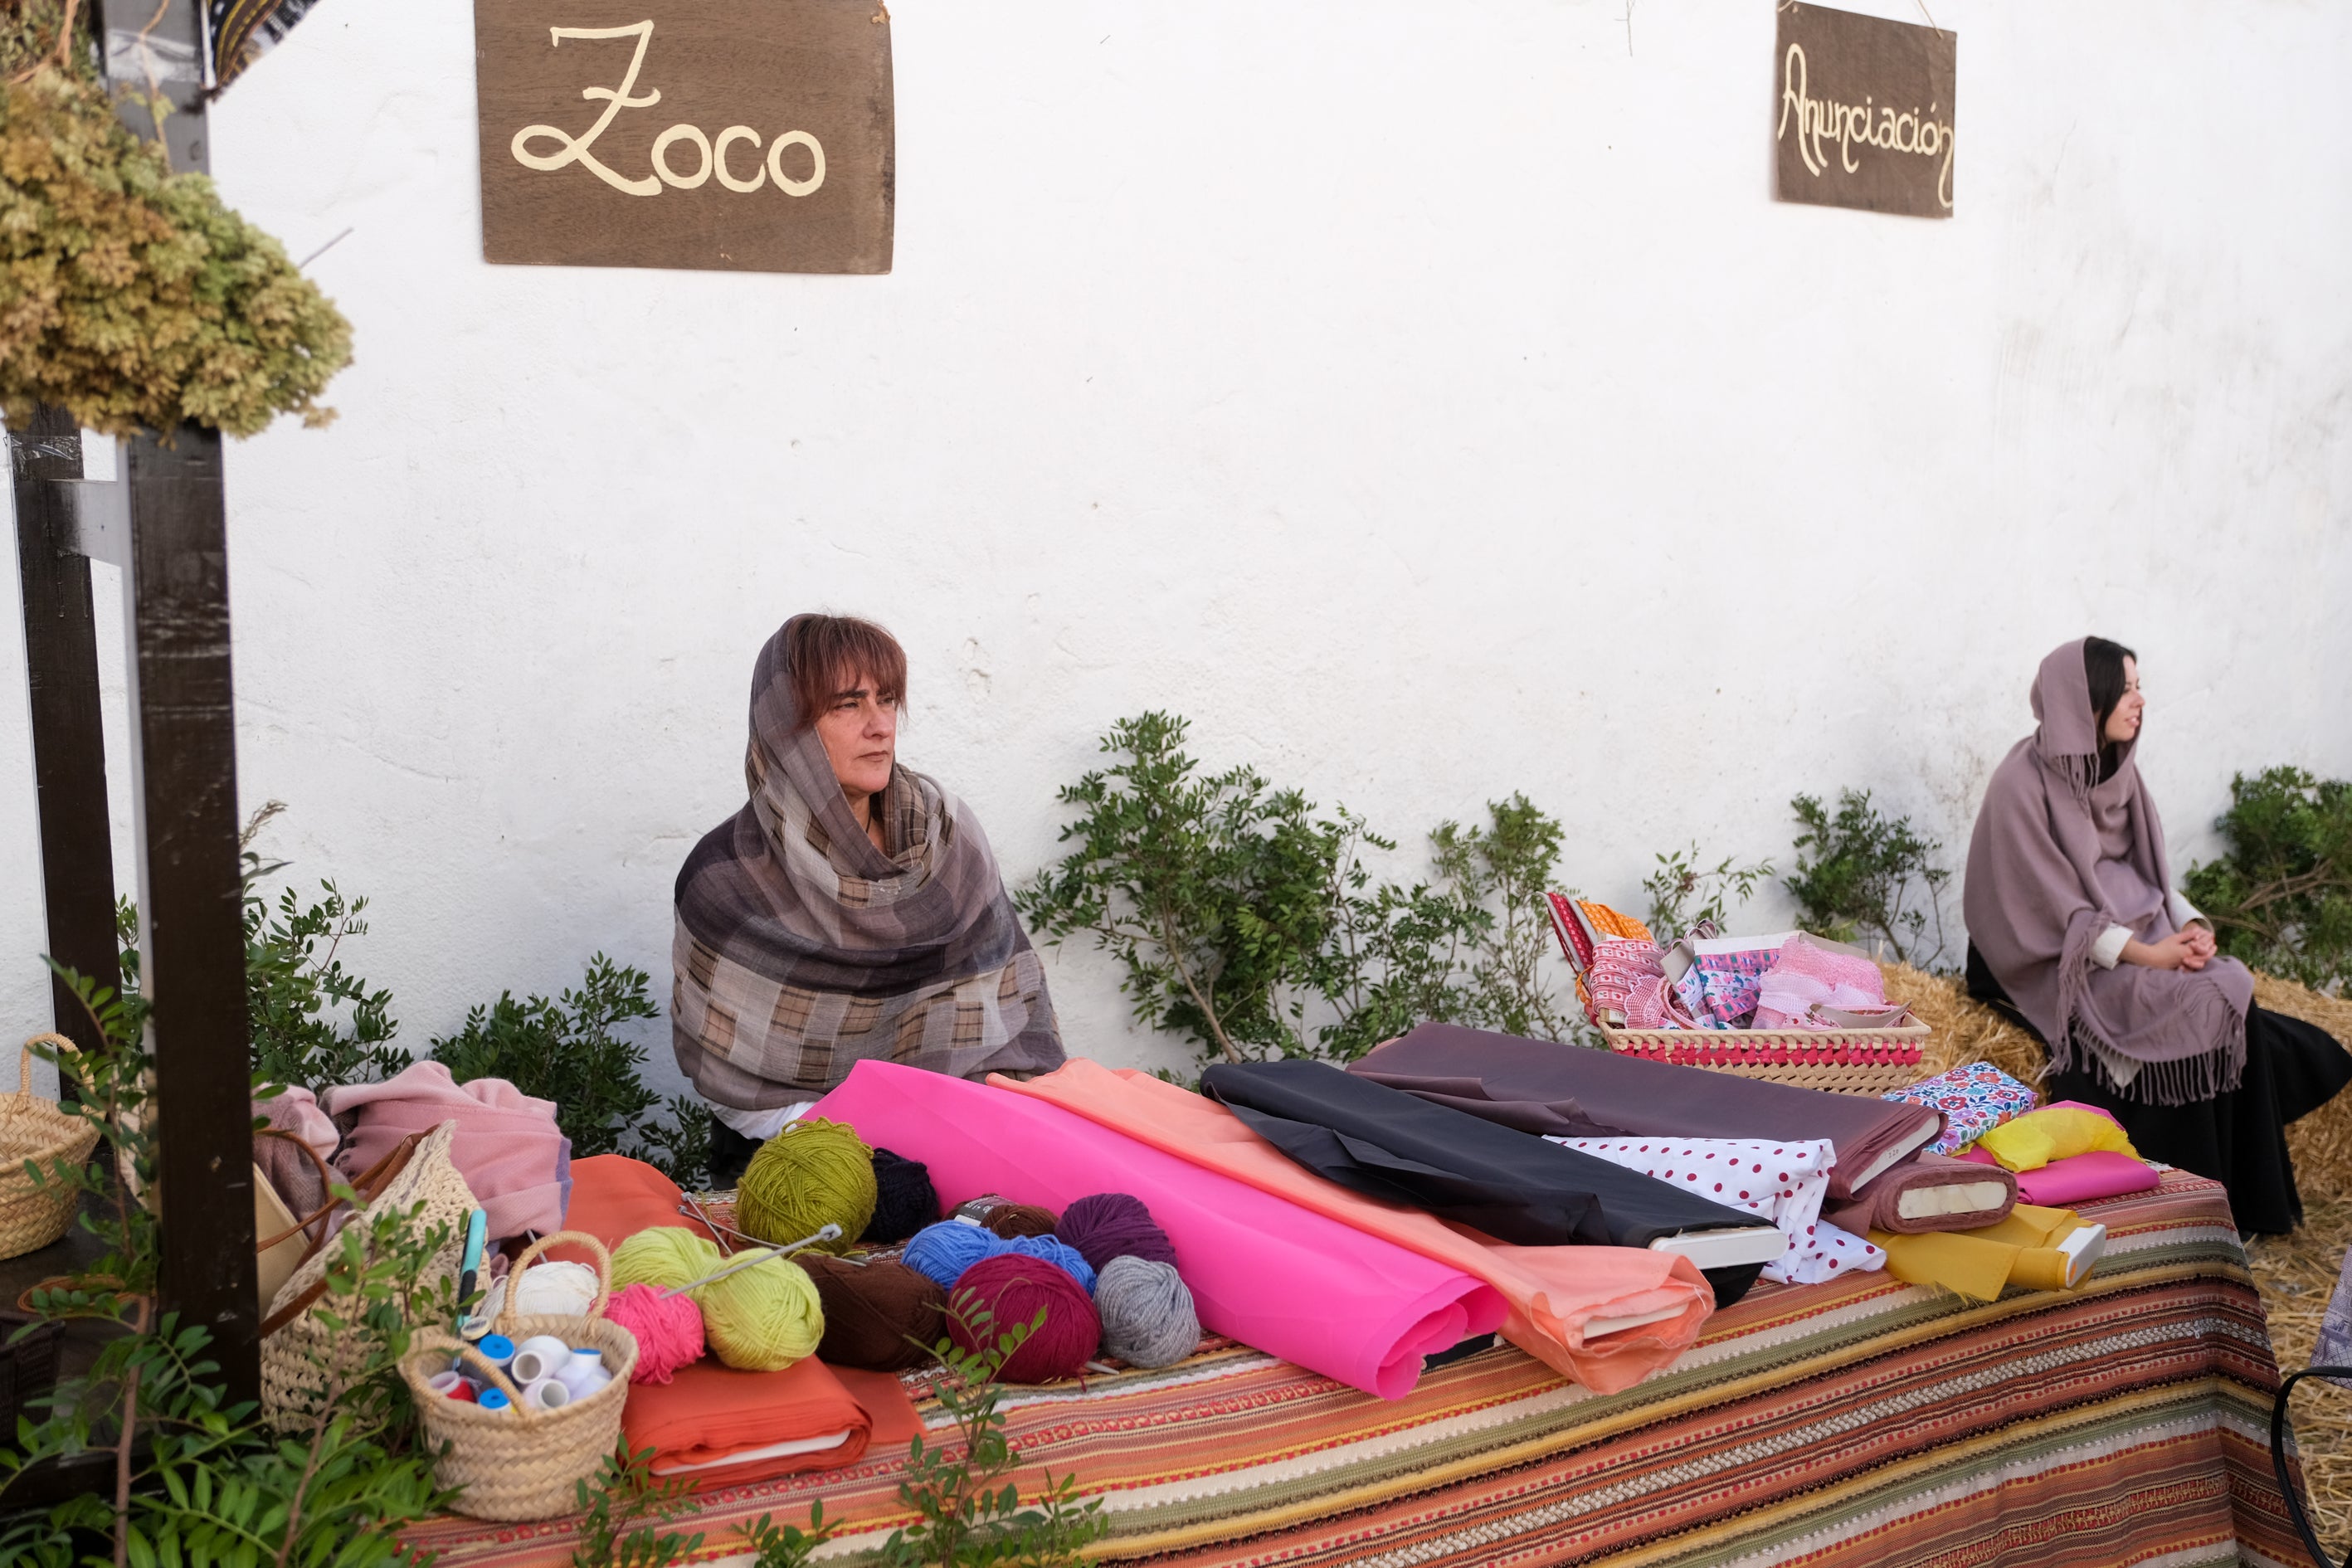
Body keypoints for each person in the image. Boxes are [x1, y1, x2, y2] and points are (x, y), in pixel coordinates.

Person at [1963, 636, 2349, 1235]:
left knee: (2228, 983)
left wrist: (2190, 929)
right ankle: (2190, 1218)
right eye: (2127, 687)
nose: (2140, 701)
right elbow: (2048, 912)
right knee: (2190, 1003)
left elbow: (2151, 878)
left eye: (2140, 686)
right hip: (2049, 957)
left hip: (2125, 937)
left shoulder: (2118, 775)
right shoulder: (2022, 783)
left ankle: (2245, 1207)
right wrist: (2151, 956)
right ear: (2084, 697)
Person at [673, 613, 1064, 1186]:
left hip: (963, 1142)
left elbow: (1005, 1006)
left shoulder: (947, 837)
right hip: (793, 1160)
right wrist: (870, 1148)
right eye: (848, 705)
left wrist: (963, 1134)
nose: (881, 726)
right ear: (787, 729)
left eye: (886, 699)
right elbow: (732, 1080)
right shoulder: (725, 879)